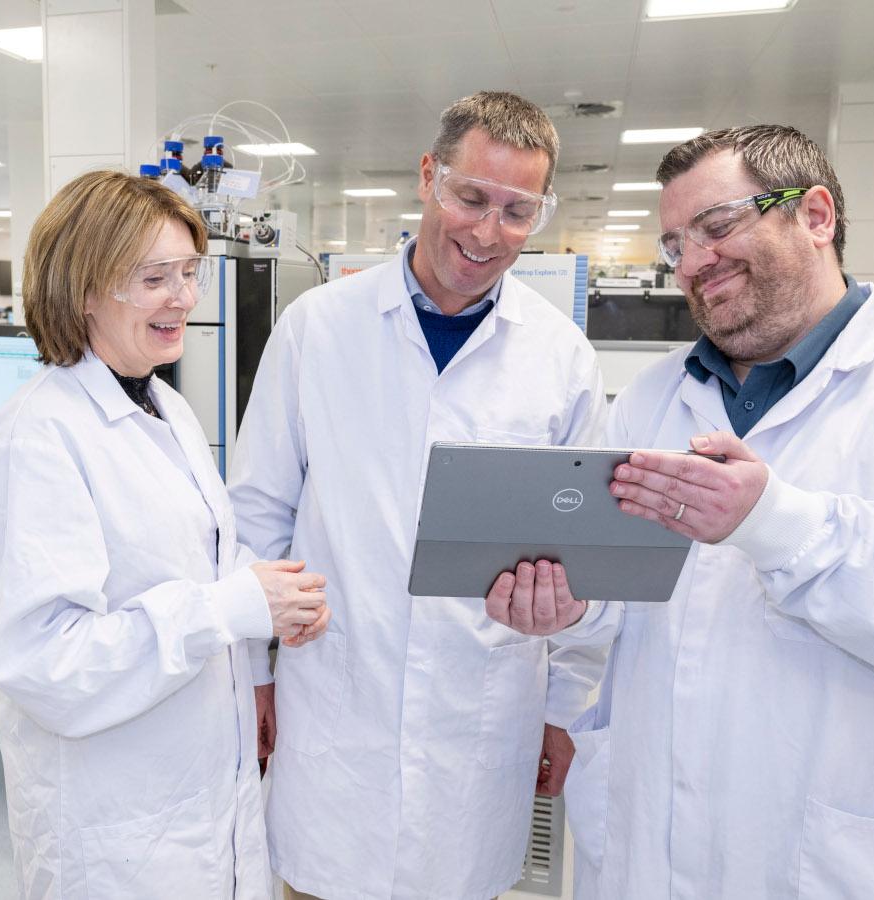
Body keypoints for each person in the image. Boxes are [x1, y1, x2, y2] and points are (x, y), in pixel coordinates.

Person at [486, 125, 874, 898]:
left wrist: (776, 525)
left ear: (816, 215)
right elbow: (618, 614)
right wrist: (564, 610)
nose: (694, 262)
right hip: (653, 849)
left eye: (718, 226)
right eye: (675, 244)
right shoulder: (654, 398)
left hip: (845, 857)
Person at [227, 92, 608, 899]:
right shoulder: (318, 327)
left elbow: (582, 556)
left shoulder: (559, 356)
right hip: (334, 696)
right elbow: (257, 509)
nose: (486, 232)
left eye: (517, 211)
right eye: (471, 197)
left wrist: (566, 705)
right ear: (430, 177)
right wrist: (249, 673)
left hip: (481, 710)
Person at [0, 169, 330, 899]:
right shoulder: (34, 438)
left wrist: (271, 596)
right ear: (86, 288)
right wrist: (231, 609)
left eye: (190, 273)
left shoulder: (165, 405)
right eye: (155, 277)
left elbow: (189, 562)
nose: (185, 299)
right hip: (115, 826)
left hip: (199, 796)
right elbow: (49, 666)